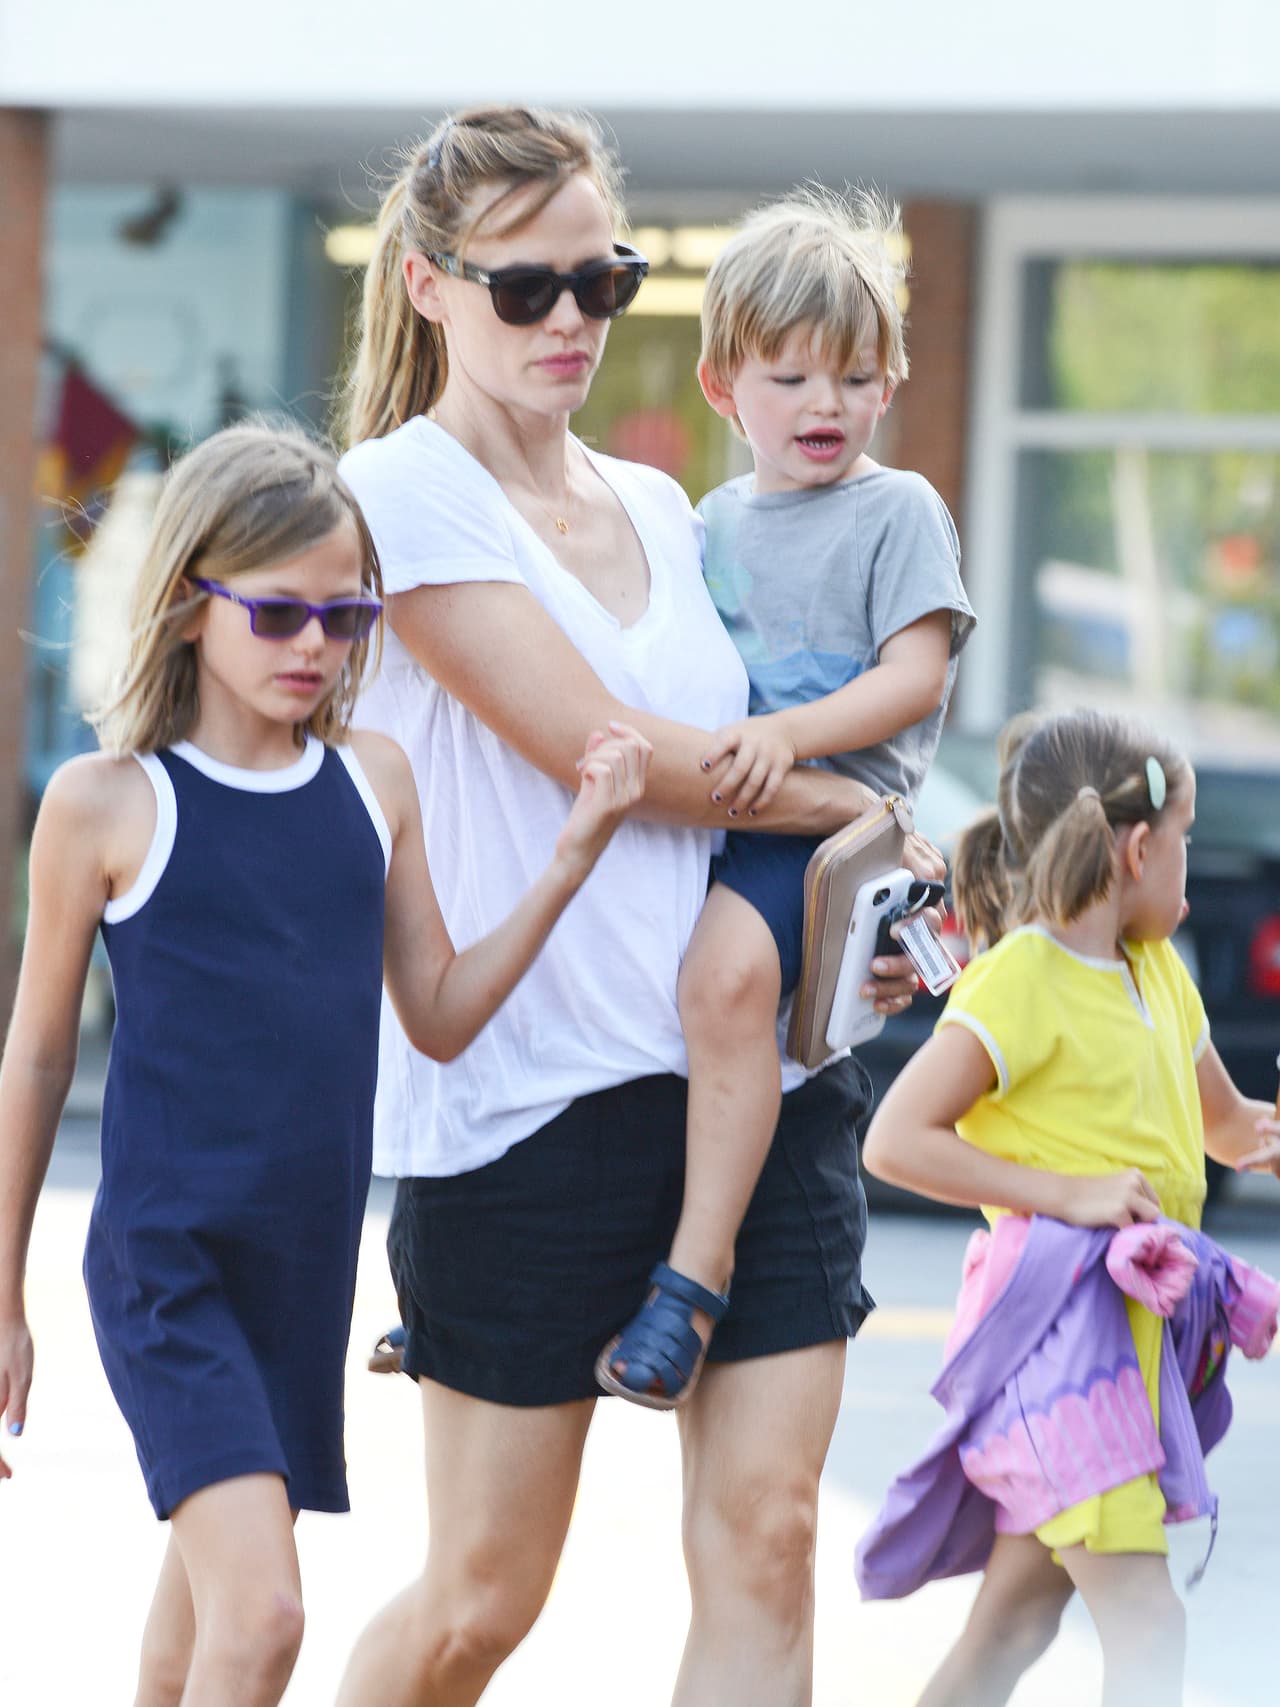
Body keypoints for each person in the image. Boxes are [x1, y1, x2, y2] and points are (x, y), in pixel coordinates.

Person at [334, 104, 941, 1707]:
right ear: (426, 285)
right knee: (480, 1601)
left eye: (596, 283)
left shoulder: (671, 509)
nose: (568, 322)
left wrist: (855, 913)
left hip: (759, 1094)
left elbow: (762, 764)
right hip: (530, 1103)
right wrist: (878, 811)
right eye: (521, 287)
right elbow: (613, 754)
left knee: (769, 1533)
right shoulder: (399, 491)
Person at [0, 423, 648, 1707]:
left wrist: (570, 858)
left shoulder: (373, 782)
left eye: (347, 617)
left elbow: (443, 1013)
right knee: (267, 1617)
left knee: (201, 1620)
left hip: (299, 1268)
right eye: (281, 614)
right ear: (191, 603)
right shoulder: (107, 801)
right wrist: (2, 1296)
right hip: (165, 1264)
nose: (316, 647)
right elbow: (32, 1060)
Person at [596, 188, 974, 1408]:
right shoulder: (701, 523)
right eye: (789, 377)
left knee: (721, 987)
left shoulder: (898, 509)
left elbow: (914, 673)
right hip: (726, 814)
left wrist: (783, 736)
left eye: (853, 378)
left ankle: (691, 1284)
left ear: (889, 380)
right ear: (721, 386)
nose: (824, 405)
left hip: (825, 830)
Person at [858, 707, 1280, 1707]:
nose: (1184, 864)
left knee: (1012, 1625)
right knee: (1146, 1622)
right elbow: (894, 1141)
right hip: (1057, 1353)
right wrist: (1067, 1196)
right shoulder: (1017, 981)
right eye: (1180, 840)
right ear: (1136, 848)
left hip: (1129, 1350)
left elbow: (1224, 1128)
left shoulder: (1158, 977)